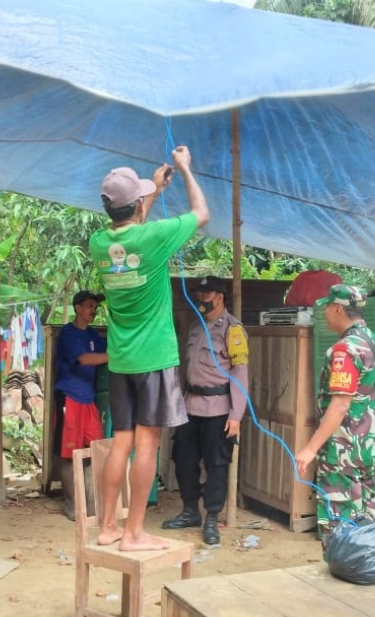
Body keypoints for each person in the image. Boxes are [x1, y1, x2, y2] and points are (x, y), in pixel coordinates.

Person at [89, 146, 209, 551]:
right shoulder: (154, 238)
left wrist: (152, 191)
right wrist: (185, 171)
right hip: (155, 359)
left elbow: (131, 228)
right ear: (137, 204)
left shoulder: (98, 244)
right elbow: (201, 214)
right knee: (147, 445)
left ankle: (108, 527)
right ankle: (134, 533)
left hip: (121, 361)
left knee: (120, 442)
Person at [162, 276, 248, 546]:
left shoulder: (233, 329)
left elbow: (240, 373)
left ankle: (212, 516)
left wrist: (236, 415)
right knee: (184, 458)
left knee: (217, 464)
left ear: (220, 296)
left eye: (207, 293)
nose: (201, 298)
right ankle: (190, 511)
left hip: (219, 408)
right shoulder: (196, 326)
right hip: (190, 405)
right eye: (199, 293)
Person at [294, 285, 375, 530]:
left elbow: (341, 403)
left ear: (337, 309)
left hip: (342, 449)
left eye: (326, 307)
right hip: (365, 445)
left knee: (340, 518)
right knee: (367, 512)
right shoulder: (374, 343)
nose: (324, 313)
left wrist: (310, 449)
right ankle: (370, 560)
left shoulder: (346, 349)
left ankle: (347, 564)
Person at [52, 290, 108, 520]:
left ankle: (92, 505)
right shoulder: (67, 333)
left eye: (95, 307)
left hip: (88, 400)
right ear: (77, 308)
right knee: (68, 453)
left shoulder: (94, 335)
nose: (92, 310)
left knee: (95, 450)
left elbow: (107, 349)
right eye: (88, 306)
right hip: (70, 397)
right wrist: (116, 356)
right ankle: (72, 505)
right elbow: (84, 359)